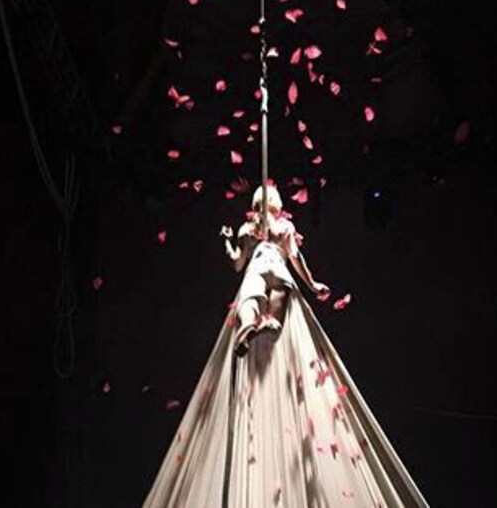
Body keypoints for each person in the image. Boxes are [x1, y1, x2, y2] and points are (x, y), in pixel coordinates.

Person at [143, 184, 429, 507]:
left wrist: (309, 281)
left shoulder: (267, 229)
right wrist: (232, 243)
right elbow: (265, 261)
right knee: (263, 303)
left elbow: (272, 261)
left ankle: (260, 322)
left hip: (267, 270)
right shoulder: (264, 229)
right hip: (269, 271)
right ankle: (258, 323)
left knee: (262, 298)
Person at [221, 184, 331, 357]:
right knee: (274, 324)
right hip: (280, 272)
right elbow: (295, 256)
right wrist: (312, 284)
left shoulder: (247, 230)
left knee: (249, 301)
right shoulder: (285, 226)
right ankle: (259, 330)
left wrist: (227, 241)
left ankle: (247, 325)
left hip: (257, 268)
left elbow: (237, 264)